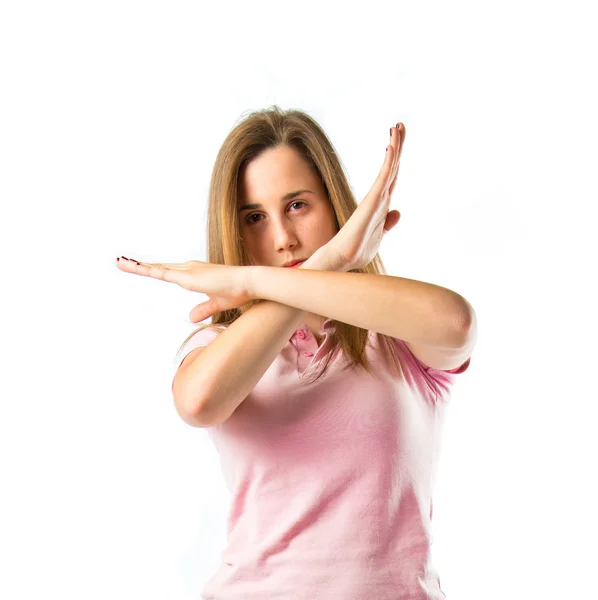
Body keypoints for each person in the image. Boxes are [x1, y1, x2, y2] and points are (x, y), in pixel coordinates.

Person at [116, 106, 477, 599]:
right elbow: (198, 403)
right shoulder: (221, 344)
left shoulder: (396, 336)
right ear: (235, 229)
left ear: (334, 205)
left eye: (297, 205)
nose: (283, 239)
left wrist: (252, 280)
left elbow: (455, 323)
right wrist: (329, 260)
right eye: (255, 217)